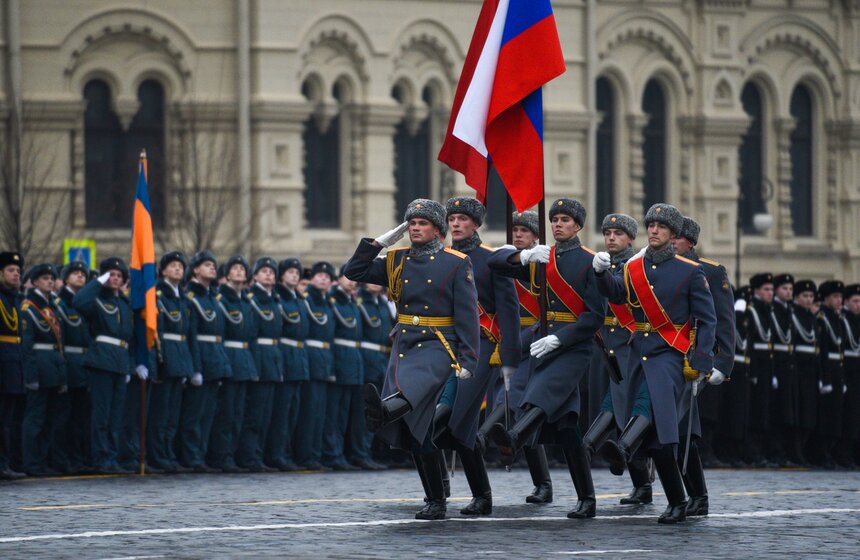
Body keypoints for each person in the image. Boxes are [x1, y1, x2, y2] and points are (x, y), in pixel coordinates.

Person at [343, 198, 479, 520]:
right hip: (405, 344)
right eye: (411, 223)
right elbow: (354, 270)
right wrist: (379, 243)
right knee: (417, 431)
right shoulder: (396, 260)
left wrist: (469, 360)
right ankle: (435, 500)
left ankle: (383, 411)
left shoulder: (456, 263)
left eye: (422, 224)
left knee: (412, 395)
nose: (415, 228)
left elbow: (468, 316)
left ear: (437, 230)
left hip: (438, 346)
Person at [592, 203, 717, 524]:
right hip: (638, 353)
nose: (654, 230)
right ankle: (676, 499)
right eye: (650, 225)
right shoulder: (635, 267)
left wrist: (700, 360)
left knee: (656, 417)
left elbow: (707, 319)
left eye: (661, 226)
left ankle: (625, 449)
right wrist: (601, 273)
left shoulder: (690, 271)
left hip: (671, 355)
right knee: (658, 440)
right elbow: (618, 295)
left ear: (673, 233)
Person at [487, 198, 605, 519]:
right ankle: (587, 499)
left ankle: (513, 437)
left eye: (565, 219)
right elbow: (494, 263)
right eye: (554, 219)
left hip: (573, 347)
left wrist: (559, 337)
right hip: (544, 344)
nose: (558, 224)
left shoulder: (589, 262)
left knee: (537, 396)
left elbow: (594, 317)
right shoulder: (543, 258)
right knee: (567, 427)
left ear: (578, 226)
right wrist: (522, 255)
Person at [432, 196, 520, 516]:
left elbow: (509, 309)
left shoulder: (490, 259)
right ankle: (469, 494)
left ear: (475, 224)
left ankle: (456, 491)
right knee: (450, 423)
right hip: (445, 347)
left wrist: (507, 356)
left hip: (482, 349)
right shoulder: (440, 257)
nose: (455, 224)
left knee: (452, 420)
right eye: (451, 218)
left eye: (462, 219)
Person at [480, 210, 554, 504]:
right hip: (505, 341)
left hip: (536, 343)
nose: (518, 235)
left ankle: (543, 482)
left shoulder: (547, 263)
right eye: (515, 230)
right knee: (503, 404)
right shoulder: (504, 260)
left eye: (525, 230)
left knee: (518, 405)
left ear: (537, 236)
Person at [581, 213, 649, 505]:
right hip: (606, 345)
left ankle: (637, 478)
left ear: (630, 239)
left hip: (631, 347)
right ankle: (636, 478)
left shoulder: (639, 267)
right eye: (607, 233)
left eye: (618, 234)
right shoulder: (600, 265)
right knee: (614, 408)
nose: (611, 238)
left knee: (622, 408)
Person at [671, 217, 735, 515]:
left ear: (690, 243)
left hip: (693, 360)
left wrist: (722, 362)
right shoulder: (655, 267)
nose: (671, 241)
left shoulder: (709, 271)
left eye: (677, 237)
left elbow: (723, 320)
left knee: (682, 428)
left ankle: (697, 495)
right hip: (663, 355)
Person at [74, 257, 137, 475]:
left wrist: (130, 365)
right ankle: (100, 457)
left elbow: (129, 337)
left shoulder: (124, 303)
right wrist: (97, 281)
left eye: (119, 276)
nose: (115, 279)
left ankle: (112, 456)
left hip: (120, 361)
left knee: (115, 415)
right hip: (101, 360)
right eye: (111, 275)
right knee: (101, 414)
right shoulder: (96, 300)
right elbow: (79, 302)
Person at [181, 251, 232, 473]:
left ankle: (200, 455)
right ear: (195, 270)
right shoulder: (190, 297)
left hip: (214, 360)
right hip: (200, 359)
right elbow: (191, 334)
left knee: (208, 415)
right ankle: (191, 456)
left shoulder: (212, 297)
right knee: (194, 415)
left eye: (213, 264)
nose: (212, 268)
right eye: (207, 265)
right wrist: (195, 368)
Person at [146, 251, 194, 473]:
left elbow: (188, 333)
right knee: (161, 413)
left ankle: (168, 452)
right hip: (166, 357)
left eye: (180, 266)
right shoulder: (157, 296)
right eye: (173, 266)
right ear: (163, 270)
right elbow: (158, 331)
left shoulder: (183, 298)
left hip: (181, 356)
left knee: (173, 414)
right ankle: (157, 455)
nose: (178, 269)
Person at [209, 256, 257, 473]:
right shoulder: (221, 299)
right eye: (235, 268)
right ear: (226, 275)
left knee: (239, 413)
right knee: (226, 414)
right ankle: (222, 456)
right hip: (228, 358)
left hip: (244, 361)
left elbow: (252, 334)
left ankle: (234, 455)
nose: (239, 271)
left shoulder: (245, 301)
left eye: (242, 268)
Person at [237, 257, 283, 472]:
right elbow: (250, 332)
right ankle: (248, 457)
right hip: (258, 358)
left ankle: (259, 455)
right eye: (263, 271)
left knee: (267, 414)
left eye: (272, 272)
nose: (269, 275)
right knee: (254, 414)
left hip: (272, 359)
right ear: (254, 276)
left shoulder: (273, 299)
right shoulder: (250, 298)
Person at [20, 264, 66, 476]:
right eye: (45, 278)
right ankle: (31, 462)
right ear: (35, 282)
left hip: (53, 367)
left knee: (50, 418)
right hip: (39, 368)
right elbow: (27, 347)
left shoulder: (52, 307)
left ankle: (43, 460)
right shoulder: (29, 308)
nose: (50, 281)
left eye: (52, 278)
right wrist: (31, 376)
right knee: (35, 419)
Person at [265, 258, 309, 471]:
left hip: (298, 359)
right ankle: (276, 454)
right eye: (289, 272)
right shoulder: (278, 298)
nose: (294, 275)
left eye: (296, 272)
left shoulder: (299, 300)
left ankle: (285, 452)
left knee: (292, 412)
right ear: (281, 275)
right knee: (280, 413)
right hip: (284, 357)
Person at [321, 265, 365, 471]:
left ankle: (341, 453)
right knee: (333, 412)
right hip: (339, 360)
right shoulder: (333, 301)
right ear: (338, 279)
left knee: (344, 413)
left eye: (353, 277)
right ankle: (332, 453)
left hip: (352, 362)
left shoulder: (351, 301)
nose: (351, 281)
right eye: (346, 277)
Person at [294, 262, 337, 470]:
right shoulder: (306, 300)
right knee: (309, 413)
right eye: (319, 275)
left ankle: (315, 454)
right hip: (310, 359)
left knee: (320, 413)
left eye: (327, 277)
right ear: (311, 279)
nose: (323, 279)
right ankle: (305, 455)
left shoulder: (326, 302)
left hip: (323, 361)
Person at [55, 261, 92, 474]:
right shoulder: (61, 303)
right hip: (68, 362)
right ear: (66, 278)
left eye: (82, 274)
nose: (80, 276)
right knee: (64, 416)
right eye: (75, 273)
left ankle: (78, 458)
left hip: (84, 364)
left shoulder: (85, 303)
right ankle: (62, 459)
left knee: (81, 416)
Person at [356, 280, 393, 469]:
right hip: (367, 359)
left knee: (377, 411)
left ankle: (370, 452)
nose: (374, 283)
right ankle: (360, 452)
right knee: (365, 411)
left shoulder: (382, 304)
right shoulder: (359, 302)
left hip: (381, 360)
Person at [0, 251, 26, 479]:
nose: (16, 274)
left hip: (13, 363)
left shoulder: (14, 299)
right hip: (3, 363)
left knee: (8, 420)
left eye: (18, 271)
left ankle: (6, 463)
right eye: (10, 270)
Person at [746, 272, 775, 466]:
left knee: (765, 410)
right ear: (756, 290)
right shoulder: (751, 310)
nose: (770, 293)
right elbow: (749, 342)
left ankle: (760, 451)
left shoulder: (767, 310)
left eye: (771, 290)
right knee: (754, 410)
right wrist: (753, 371)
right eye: (766, 289)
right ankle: (752, 452)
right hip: (755, 366)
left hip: (767, 366)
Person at [816, 280, 845, 468]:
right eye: (835, 296)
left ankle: (833, 452)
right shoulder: (822, 318)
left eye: (841, 297)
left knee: (837, 415)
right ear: (826, 298)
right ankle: (823, 453)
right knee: (826, 415)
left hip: (838, 372)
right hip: (827, 371)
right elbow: (823, 350)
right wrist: (824, 378)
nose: (839, 300)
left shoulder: (837, 319)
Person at [769, 273, 797, 465]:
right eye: (784, 288)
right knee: (776, 411)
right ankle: (775, 451)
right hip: (775, 366)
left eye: (790, 289)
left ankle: (785, 451)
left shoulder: (789, 311)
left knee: (788, 412)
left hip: (789, 367)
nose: (788, 292)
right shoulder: (772, 311)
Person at [791, 280, 819, 466]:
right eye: (805, 296)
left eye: (811, 296)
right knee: (798, 413)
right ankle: (796, 452)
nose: (809, 300)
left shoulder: (812, 319)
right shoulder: (792, 316)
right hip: (797, 369)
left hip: (811, 371)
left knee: (810, 413)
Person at [840, 284, 860, 467]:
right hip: (847, 373)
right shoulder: (843, 320)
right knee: (849, 417)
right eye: (855, 301)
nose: (858, 304)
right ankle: (845, 453)